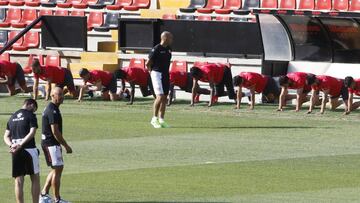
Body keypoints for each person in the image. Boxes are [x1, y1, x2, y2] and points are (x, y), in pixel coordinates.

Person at [3, 99, 40, 203]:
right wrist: (21, 144)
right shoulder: (31, 115)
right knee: (35, 178)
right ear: (30, 104)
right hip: (29, 150)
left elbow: (5, 136)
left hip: (15, 151)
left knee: (18, 181)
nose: (33, 111)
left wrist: (12, 145)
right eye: (34, 109)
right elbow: (32, 132)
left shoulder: (12, 116)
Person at [39, 87, 72, 203]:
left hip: (50, 143)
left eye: (62, 94)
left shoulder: (53, 108)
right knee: (58, 169)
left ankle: (43, 194)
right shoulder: (52, 110)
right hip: (51, 143)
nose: (62, 97)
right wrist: (66, 145)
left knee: (56, 169)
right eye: (59, 95)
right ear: (52, 96)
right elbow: (55, 132)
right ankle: (56, 199)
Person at [146, 31, 173, 128]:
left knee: (165, 97)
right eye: (170, 38)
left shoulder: (169, 49)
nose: (171, 40)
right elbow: (148, 63)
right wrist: (151, 73)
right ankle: (154, 119)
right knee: (160, 96)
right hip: (156, 74)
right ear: (165, 38)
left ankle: (161, 120)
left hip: (165, 74)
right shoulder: (156, 48)